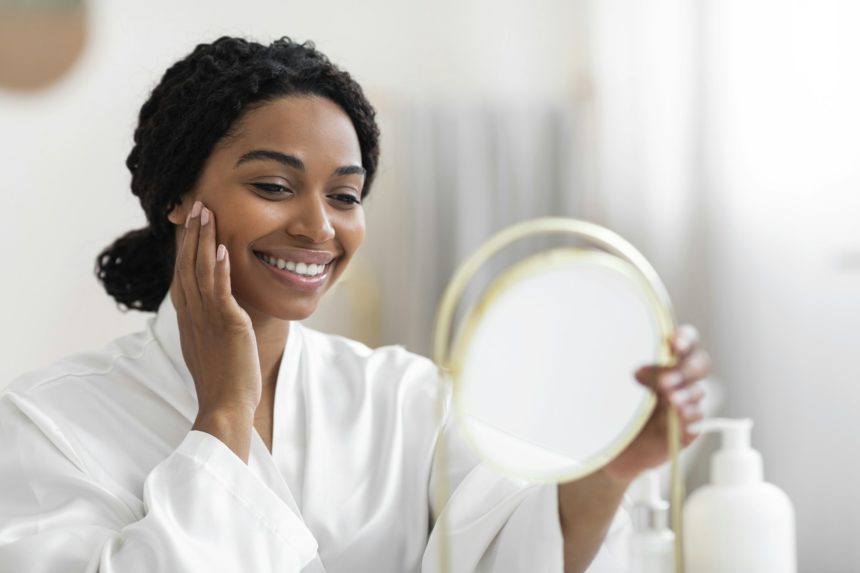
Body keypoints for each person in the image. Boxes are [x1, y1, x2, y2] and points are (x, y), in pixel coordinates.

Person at [0, 37, 710, 572]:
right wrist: (222, 415)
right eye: (275, 186)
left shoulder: (403, 397)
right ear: (178, 201)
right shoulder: (49, 423)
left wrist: (613, 468)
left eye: (345, 195)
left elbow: (518, 543)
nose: (318, 227)